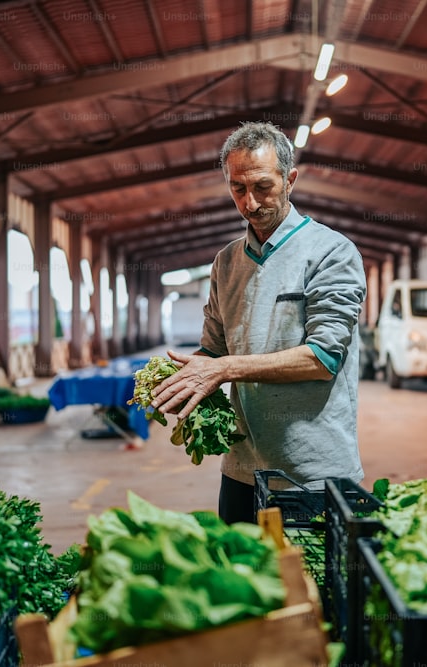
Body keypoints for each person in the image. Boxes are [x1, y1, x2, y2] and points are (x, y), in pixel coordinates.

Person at [148, 121, 367, 524]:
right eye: (238, 189)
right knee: (241, 581)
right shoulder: (226, 262)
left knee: (310, 585)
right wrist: (177, 381)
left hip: (312, 473)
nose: (250, 203)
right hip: (241, 469)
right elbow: (213, 350)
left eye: (263, 187)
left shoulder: (331, 253)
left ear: (290, 180)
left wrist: (224, 369)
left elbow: (322, 359)